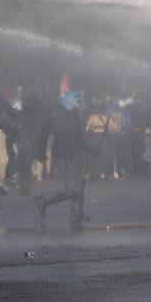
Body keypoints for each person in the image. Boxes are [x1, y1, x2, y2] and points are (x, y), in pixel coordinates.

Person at [34, 90, 98, 231]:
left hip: (70, 156)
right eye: (77, 102)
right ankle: (43, 200)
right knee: (73, 189)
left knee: (79, 185)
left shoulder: (65, 116)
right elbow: (76, 140)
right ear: (70, 102)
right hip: (66, 157)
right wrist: (91, 149)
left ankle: (77, 214)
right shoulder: (68, 117)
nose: (80, 105)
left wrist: (40, 152)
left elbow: (44, 134)